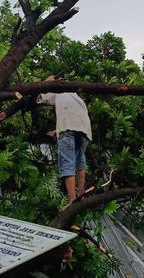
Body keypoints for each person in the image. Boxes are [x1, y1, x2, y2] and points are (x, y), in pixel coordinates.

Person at [37, 75, 92, 208]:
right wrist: (57, 131)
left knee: (67, 161)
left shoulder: (57, 91)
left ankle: (72, 201)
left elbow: (40, 97)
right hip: (84, 128)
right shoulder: (75, 96)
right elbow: (73, 115)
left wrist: (46, 81)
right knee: (80, 160)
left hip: (67, 126)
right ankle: (81, 193)